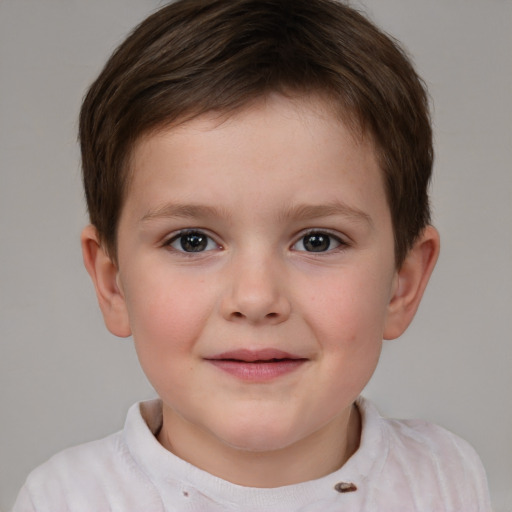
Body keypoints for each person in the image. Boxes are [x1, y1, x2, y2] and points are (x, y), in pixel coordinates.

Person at [11, 0, 492, 510]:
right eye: (192, 240)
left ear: (402, 282)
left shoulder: (446, 478)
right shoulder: (66, 499)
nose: (256, 298)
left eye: (317, 240)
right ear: (113, 284)